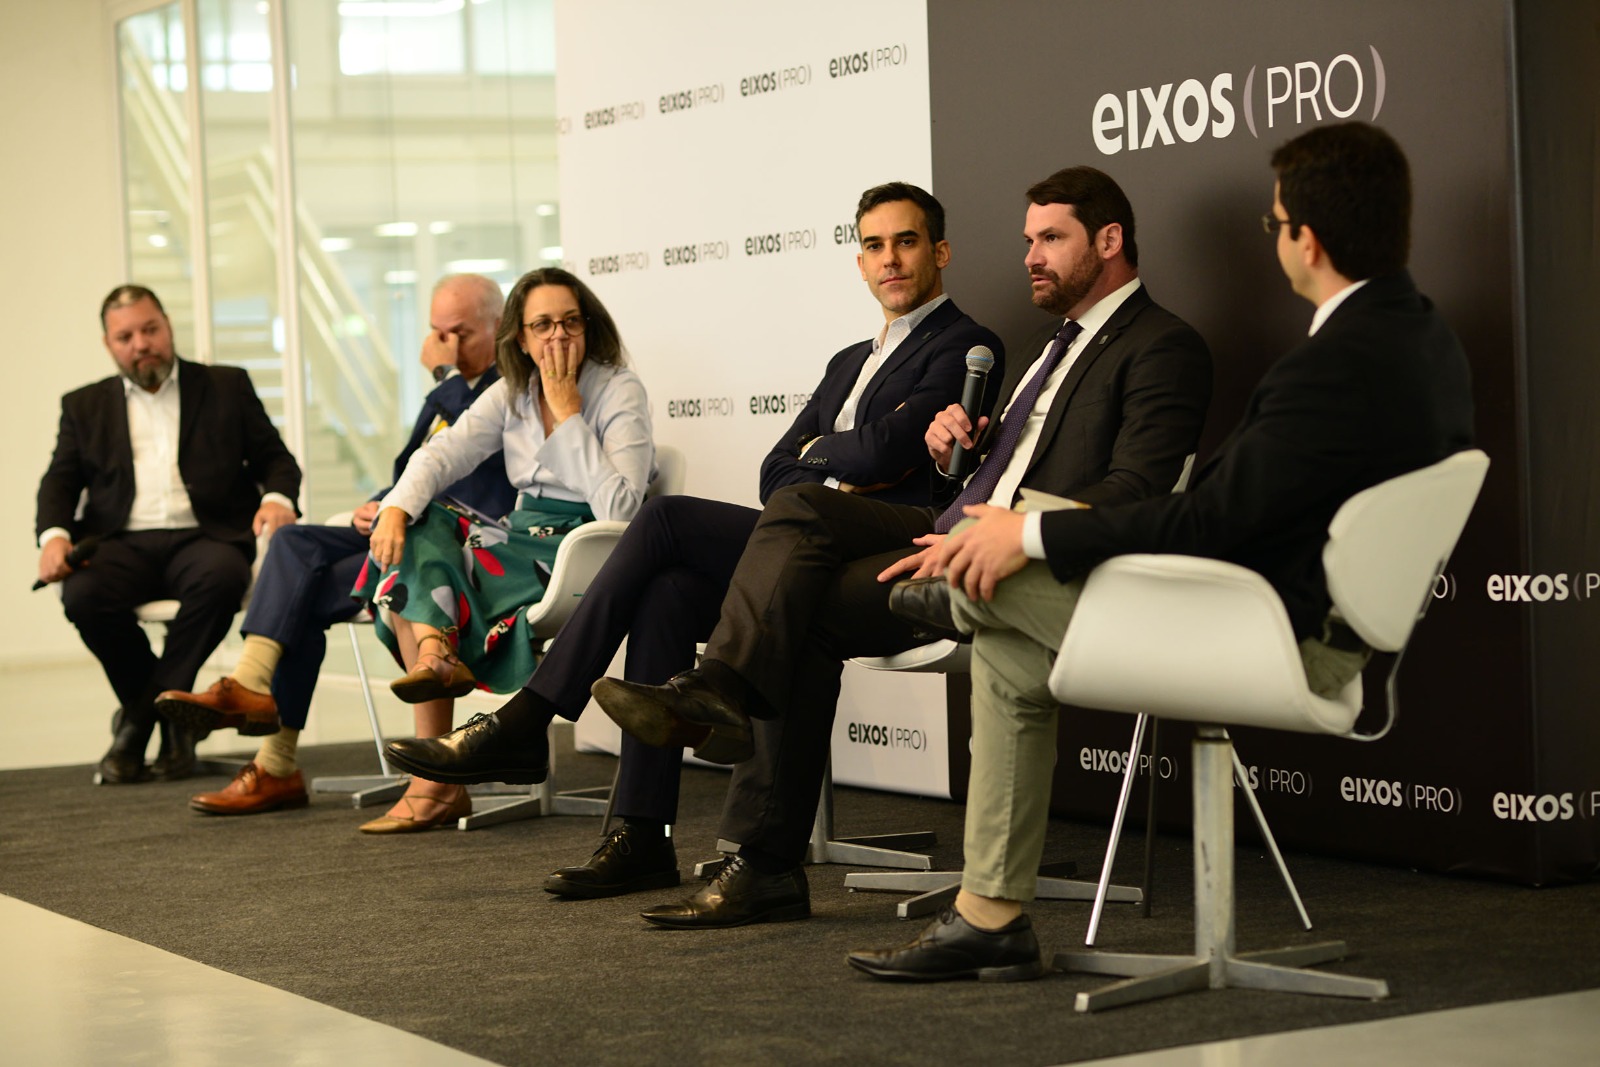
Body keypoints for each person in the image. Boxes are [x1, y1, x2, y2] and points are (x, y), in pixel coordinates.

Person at [847, 122, 1476, 982]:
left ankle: (953, 589)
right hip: (1308, 621)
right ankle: (990, 916)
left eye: (1275, 221)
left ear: (1309, 240)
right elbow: (1226, 511)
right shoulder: (1423, 339)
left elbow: (1205, 521)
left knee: (986, 577)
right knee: (1007, 656)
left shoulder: (1333, 365)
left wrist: (1027, 531)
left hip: (1268, 634)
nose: (1276, 237)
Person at [590, 166, 1214, 927]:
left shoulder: (1161, 345)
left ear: (1109, 241)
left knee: (803, 580)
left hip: (1022, 560)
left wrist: (1012, 526)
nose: (1030, 257)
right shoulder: (1057, 346)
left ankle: (736, 758)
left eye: (1052, 239)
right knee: (799, 522)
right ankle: (759, 839)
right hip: (953, 524)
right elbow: (1008, 463)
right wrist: (966, 449)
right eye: (1028, 240)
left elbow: (1138, 490)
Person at [383, 182, 1004, 894]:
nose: (889, 259)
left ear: (940, 251)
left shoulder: (966, 343)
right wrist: (839, 453)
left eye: (906, 241)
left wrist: (826, 452)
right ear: (859, 262)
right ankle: (640, 835)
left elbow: (884, 452)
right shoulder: (845, 362)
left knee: (666, 518)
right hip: (803, 538)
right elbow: (776, 471)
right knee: (669, 592)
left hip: (885, 546)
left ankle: (533, 714)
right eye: (874, 245)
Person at [154, 274, 515, 816]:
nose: (445, 346)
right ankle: (256, 696)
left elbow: (473, 470)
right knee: (295, 546)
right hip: (406, 522)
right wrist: (379, 504)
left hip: (462, 543)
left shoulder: (508, 386)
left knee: (304, 587)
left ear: (499, 326)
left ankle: (274, 757)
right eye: (437, 333)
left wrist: (443, 375)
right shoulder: (448, 391)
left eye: (460, 333)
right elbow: (412, 469)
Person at [341, 266, 652, 833]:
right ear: (521, 337)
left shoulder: (618, 387)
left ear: (589, 327)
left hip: (579, 545)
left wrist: (568, 417)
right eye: (542, 325)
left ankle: (433, 776)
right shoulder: (512, 389)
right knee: (422, 519)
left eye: (569, 322)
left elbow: (624, 512)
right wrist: (393, 508)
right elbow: (443, 454)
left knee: (421, 581)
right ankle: (438, 659)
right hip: (515, 532)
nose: (557, 337)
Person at [35, 285, 301, 784]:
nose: (141, 343)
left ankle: (136, 722)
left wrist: (276, 499)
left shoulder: (226, 385)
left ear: (167, 326)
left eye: (149, 329)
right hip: (121, 542)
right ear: (109, 344)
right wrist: (52, 535)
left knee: (222, 578)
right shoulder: (84, 405)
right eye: (126, 336)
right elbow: (60, 481)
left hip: (206, 536)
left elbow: (276, 459)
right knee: (84, 595)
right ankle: (173, 717)